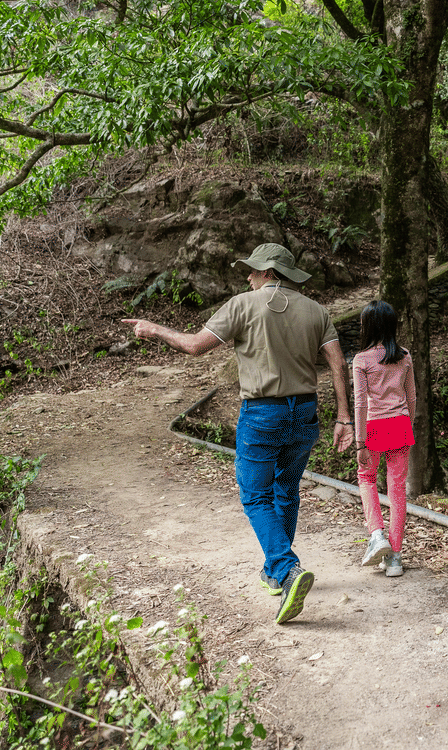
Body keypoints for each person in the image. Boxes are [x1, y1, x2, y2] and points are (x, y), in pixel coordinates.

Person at [122, 243, 351, 624]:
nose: (247, 276)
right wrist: (344, 416)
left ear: (268, 273)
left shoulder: (243, 304)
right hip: (306, 411)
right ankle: (275, 572)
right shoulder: (317, 311)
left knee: (255, 495)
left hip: (264, 413)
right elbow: (339, 363)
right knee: (286, 490)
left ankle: (286, 567)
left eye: (252, 270)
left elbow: (195, 346)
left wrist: (154, 329)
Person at [350, 300, 416, 577]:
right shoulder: (404, 356)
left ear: (367, 326)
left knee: (366, 478)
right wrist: (407, 426)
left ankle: (377, 535)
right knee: (397, 488)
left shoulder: (362, 359)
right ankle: (396, 559)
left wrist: (360, 442)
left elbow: (360, 405)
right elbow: (412, 397)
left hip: (374, 426)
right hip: (400, 425)